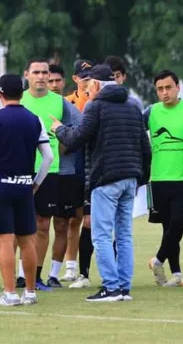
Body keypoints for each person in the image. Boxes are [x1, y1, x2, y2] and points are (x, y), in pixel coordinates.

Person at [54, 64, 151, 302]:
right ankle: (123, 288)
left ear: (96, 84)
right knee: (124, 235)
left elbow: (77, 138)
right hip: (130, 179)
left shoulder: (95, 106)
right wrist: (141, 178)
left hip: (106, 179)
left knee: (101, 236)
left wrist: (58, 129)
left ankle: (110, 287)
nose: (86, 91)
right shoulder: (132, 106)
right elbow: (145, 147)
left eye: (88, 86)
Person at [0, 74, 53, 307]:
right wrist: (35, 183)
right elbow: (48, 157)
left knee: (5, 241)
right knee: (28, 240)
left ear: (0, 94)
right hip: (24, 187)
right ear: (21, 92)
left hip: (1, 188)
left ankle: (9, 294)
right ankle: (30, 292)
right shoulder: (35, 119)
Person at [19, 58, 79, 290]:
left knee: (43, 224)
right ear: (27, 75)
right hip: (21, 169)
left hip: (49, 171)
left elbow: (80, 127)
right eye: (37, 72)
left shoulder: (60, 103)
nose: (42, 76)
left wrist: (63, 142)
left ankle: (36, 275)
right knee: (19, 225)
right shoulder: (19, 100)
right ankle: (19, 274)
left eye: (45, 72)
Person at [143, 69, 183, 287]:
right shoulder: (150, 112)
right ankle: (176, 274)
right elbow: (133, 131)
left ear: (178, 87)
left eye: (169, 87)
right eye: (160, 89)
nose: (165, 92)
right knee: (168, 228)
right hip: (158, 179)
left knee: (178, 223)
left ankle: (157, 260)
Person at [64, 59, 94, 286]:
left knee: (90, 220)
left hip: (94, 166)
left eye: (90, 77)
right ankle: (71, 267)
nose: (87, 81)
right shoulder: (68, 102)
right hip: (75, 166)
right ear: (75, 79)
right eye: (83, 77)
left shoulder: (99, 100)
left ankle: (84, 270)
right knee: (73, 218)